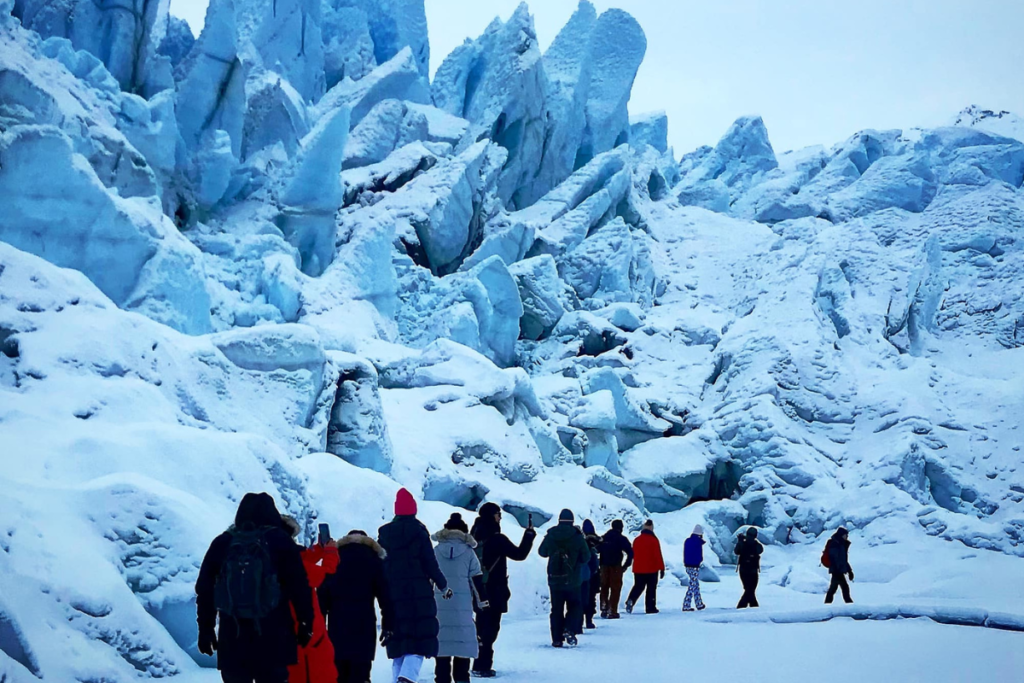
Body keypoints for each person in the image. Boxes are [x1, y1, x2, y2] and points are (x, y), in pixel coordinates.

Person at [195, 492, 314, 683]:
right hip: (274, 639)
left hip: (232, 639)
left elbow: (205, 589)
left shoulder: (223, 542)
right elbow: (299, 586)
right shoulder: (281, 541)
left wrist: (205, 628)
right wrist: (305, 622)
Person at [378, 489, 450, 683]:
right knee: (419, 640)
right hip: (418, 594)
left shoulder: (384, 534)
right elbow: (430, 563)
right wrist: (443, 586)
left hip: (393, 595)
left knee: (399, 641)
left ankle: (397, 679)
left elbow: (381, 565)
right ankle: (407, 678)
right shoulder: (419, 532)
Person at [468, 502, 536, 677]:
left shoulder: (473, 536)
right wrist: (528, 535)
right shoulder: (498, 539)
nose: (500, 517)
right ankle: (482, 665)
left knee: (481, 624)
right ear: (492, 516)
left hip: (476, 589)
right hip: (495, 589)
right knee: (491, 628)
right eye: (498, 514)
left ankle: (477, 660)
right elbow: (519, 554)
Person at [319, 530, 393, 683]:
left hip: (337, 625)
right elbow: (386, 596)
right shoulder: (374, 559)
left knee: (338, 673)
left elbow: (322, 594)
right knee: (361, 674)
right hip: (363, 626)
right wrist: (389, 625)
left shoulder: (335, 558)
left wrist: (319, 625)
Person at [281, 516, 339, 683]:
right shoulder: (291, 562)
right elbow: (326, 576)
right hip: (306, 636)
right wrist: (330, 553)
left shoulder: (269, 555)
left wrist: (319, 549)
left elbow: (302, 558)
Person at [432, 513, 488, 683]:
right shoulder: (469, 553)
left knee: (442, 653)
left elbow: (428, 578)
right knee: (462, 651)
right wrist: (483, 602)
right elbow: (477, 579)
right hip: (462, 610)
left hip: (439, 606)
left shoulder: (435, 551)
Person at [538, 509, 591, 648]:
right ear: (572, 521)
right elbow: (586, 557)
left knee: (556, 609)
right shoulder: (577, 536)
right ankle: (568, 628)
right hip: (573, 579)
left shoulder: (551, 534)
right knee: (575, 606)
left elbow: (542, 552)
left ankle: (556, 639)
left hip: (554, 579)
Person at [625, 520, 664, 615]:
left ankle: (631, 600)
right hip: (651, 569)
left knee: (638, 586)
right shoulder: (653, 540)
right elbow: (657, 555)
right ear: (651, 528)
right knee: (651, 588)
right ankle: (650, 607)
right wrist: (661, 568)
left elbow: (633, 554)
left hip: (638, 568)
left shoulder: (637, 540)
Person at [598, 519, 633, 619]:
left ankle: (604, 607)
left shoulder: (604, 538)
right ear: (621, 528)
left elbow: (597, 549)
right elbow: (630, 552)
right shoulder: (621, 539)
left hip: (604, 566)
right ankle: (612, 610)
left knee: (604, 587)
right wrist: (625, 566)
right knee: (615, 588)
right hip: (616, 567)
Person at [734, 526, 763, 609]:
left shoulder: (742, 544)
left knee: (748, 589)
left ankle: (748, 606)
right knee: (750, 589)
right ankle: (747, 606)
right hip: (753, 571)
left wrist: (740, 541)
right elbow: (760, 550)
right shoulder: (756, 545)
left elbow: (736, 552)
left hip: (743, 570)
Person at [824, 526, 854, 604]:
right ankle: (849, 604)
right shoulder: (836, 544)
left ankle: (827, 604)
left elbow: (843, 560)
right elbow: (837, 559)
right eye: (846, 535)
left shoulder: (840, 544)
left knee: (833, 588)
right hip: (837, 570)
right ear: (841, 535)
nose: (847, 537)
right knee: (844, 588)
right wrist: (840, 570)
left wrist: (849, 571)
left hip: (837, 570)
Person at [580, 520, 602, 630]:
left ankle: (579, 621)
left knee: (580, 598)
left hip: (582, 574)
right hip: (594, 574)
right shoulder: (598, 541)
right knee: (591, 597)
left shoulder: (580, 541)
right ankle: (589, 620)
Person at [682, 525, 706, 612]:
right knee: (692, 586)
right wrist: (700, 560)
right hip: (695, 566)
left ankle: (699, 603)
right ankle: (686, 605)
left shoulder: (687, 541)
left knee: (695, 585)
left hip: (687, 565)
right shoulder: (698, 542)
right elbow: (698, 555)